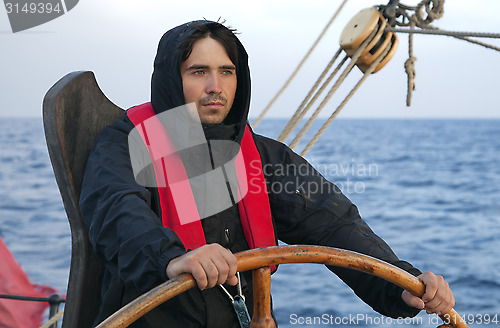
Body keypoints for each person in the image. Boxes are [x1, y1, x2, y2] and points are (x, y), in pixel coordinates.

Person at [80, 20, 454, 328]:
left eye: (226, 72)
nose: (215, 87)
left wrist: (401, 283)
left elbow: (332, 222)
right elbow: (114, 210)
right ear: (170, 79)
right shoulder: (125, 144)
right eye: (199, 72)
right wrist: (171, 258)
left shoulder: (260, 156)